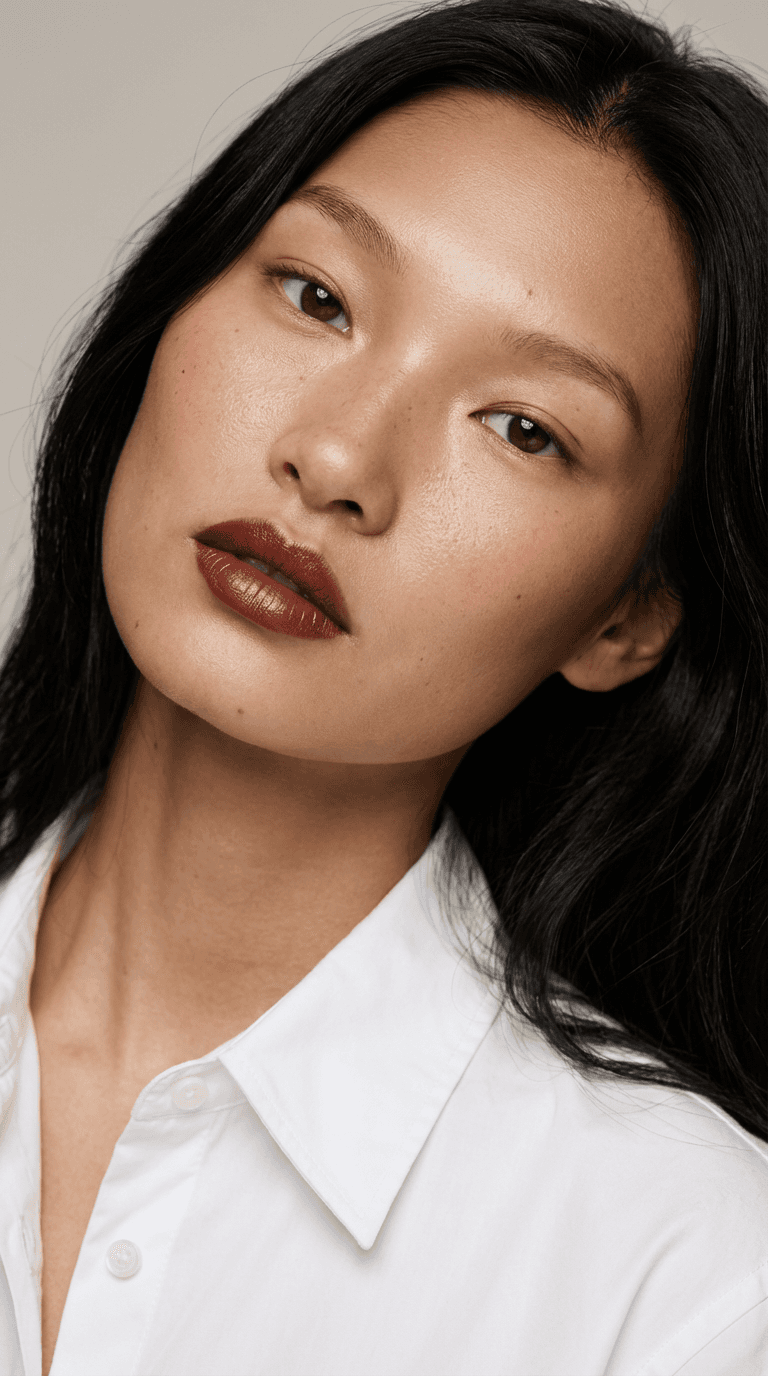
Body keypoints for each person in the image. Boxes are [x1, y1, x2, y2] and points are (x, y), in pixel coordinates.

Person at [0, 0, 765, 1371]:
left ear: (629, 616)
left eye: (524, 429)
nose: (338, 459)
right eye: (318, 297)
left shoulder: (692, 1276)